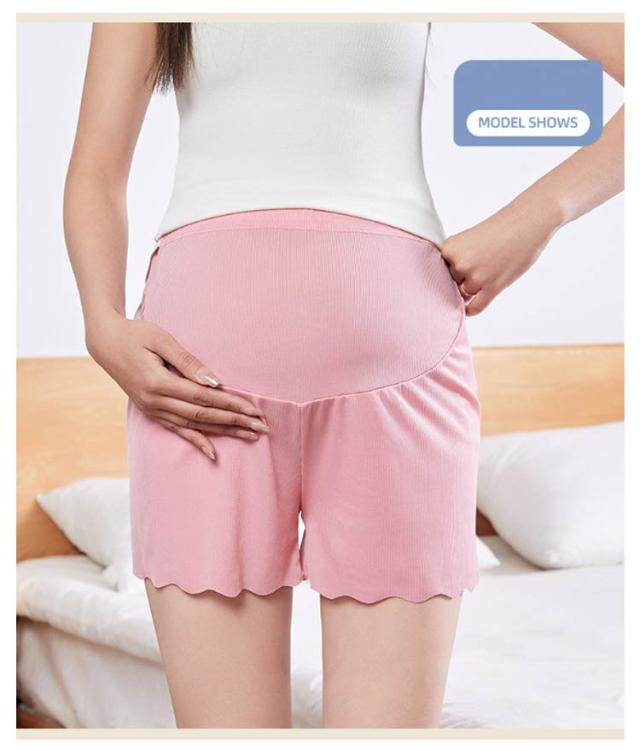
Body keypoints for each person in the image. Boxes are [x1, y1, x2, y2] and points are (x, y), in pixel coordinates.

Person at [63, 21, 624, 729]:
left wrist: (536, 217)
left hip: (400, 364)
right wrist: (102, 324)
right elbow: (95, 170)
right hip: (198, 383)